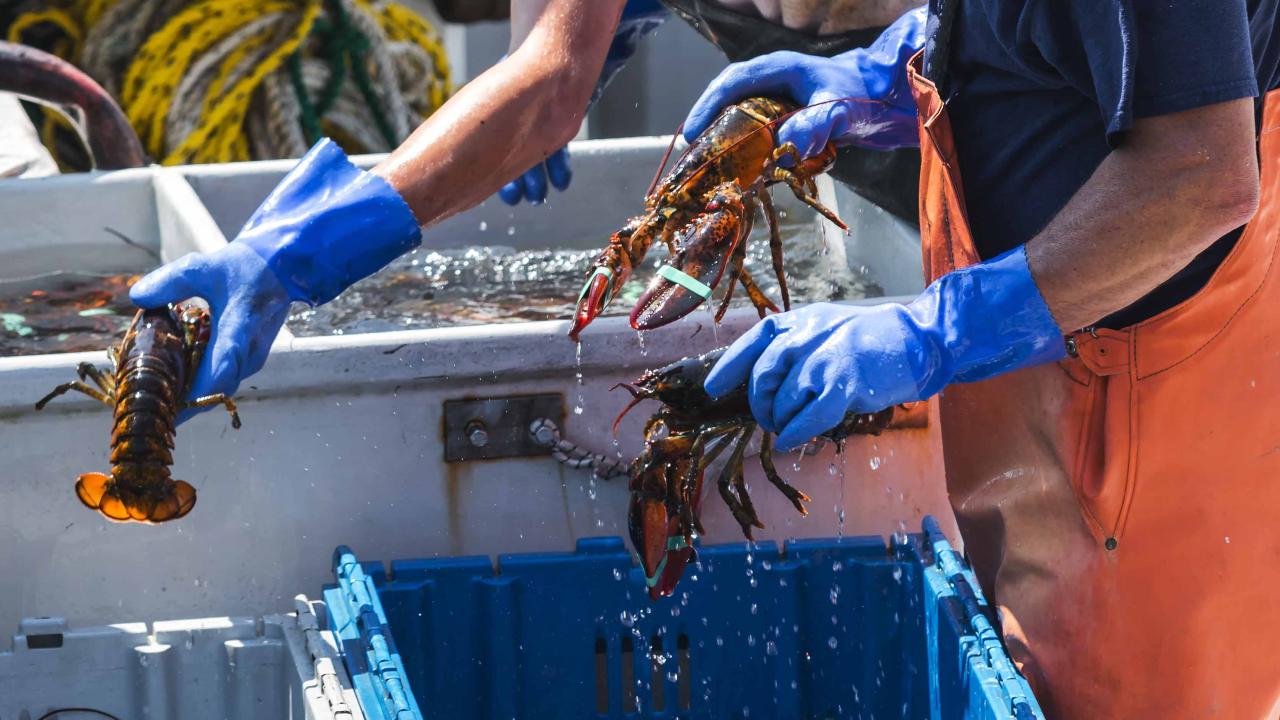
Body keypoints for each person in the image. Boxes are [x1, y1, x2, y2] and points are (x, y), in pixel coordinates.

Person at [691, 1, 1280, 717]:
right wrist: (880, 75)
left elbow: (1199, 178)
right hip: (1044, 429)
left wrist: (934, 331)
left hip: (1150, 450)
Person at [130, 0, 922, 417]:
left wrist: (303, 253)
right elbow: (540, 57)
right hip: (858, 167)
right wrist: (593, 41)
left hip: (978, 116)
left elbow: (544, 91)